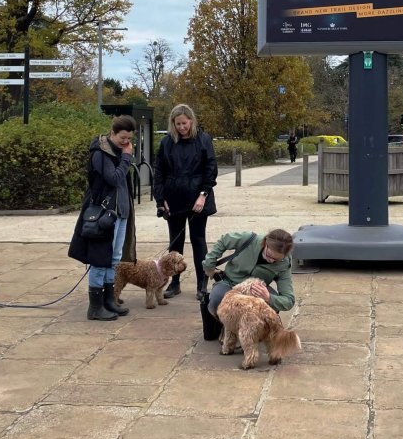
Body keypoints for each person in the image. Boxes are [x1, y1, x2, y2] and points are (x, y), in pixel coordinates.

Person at [68, 115, 137, 320]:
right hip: (104, 215)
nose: (126, 142)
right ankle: (95, 307)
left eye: (129, 138)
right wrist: (126, 158)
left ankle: (109, 299)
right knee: (100, 259)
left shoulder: (116, 151)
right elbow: (113, 179)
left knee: (114, 259)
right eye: (122, 137)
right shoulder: (100, 153)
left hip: (121, 212)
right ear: (112, 133)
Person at [153, 104, 218, 301]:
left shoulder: (203, 140)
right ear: (173, 124)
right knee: (175, 242)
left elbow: (211, 168)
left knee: (199, 241)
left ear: (191, 121)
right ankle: (174, 282)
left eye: (184, 123)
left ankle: (202, 283)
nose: (182, 127)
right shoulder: (167, 143)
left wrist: (203, 194)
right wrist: (160, 198)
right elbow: (159, 171)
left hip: (198, 196)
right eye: (178, 124)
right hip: (174, 198)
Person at [203, 228, 296, 320]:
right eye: (269, 255)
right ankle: (222, 323)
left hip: (256, 290)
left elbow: (288, 300)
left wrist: (269, 297)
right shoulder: (249, 239)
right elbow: (224, 240)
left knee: (270, 309)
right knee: (216, 302)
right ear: (265, 243)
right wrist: (209, 266)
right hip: (230, 282)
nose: (271, 260)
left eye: (276, 260)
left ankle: (254, 330)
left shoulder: (285, 263)